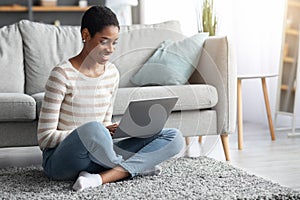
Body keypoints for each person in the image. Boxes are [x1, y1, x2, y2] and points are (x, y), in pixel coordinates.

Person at [37, 5, 184, 192]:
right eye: (104, 41)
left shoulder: (112, 73)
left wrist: (122, 129)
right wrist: (94, 132)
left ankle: (98, 178)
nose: (110, 49)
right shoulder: (62, 74)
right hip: (62, 160)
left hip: (100, 155)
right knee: (94, 128)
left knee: (174, 137)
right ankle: (133, 168)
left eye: (115, 42)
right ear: (86, 35)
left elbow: (105, 124)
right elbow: (45, 138)